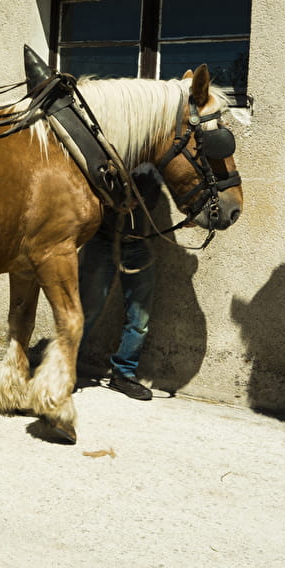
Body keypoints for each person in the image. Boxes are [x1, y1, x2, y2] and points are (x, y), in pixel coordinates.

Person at [77, 163, 164, 402]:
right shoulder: (111, 150)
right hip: (102, 240)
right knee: (87, 310)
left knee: (140, 317)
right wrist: (112, 203)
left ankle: (124, 373)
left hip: (139, 244)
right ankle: (65, 365)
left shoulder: (155, 161)